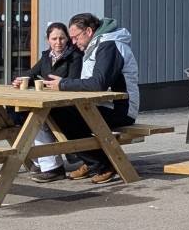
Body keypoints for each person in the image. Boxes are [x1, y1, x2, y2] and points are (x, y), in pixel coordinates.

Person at [39, 12, 140, 185]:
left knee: (63, 116)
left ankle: (103, 164)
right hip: (101, 105)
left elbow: (97, 84)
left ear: (88, 31)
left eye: (75, 37)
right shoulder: (97, 45)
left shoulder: (109, 46)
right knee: (58, 114)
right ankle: (91, 161)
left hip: (119, 109)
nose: (73, 42)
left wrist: (63, 84)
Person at [13, 22, 84, 182]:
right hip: (50, 104)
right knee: (16, 115)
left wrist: (62, 83)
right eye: (54, 39)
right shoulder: (46, 57)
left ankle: (53, 167)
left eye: (62, 38)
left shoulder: (75, 57)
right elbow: (32, 74)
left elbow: (75, 82)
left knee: (37, 119)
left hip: (69, 106)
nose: (58, 42)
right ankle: (40, 160)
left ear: (68, 39)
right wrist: (19, 80)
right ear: (48, 40)